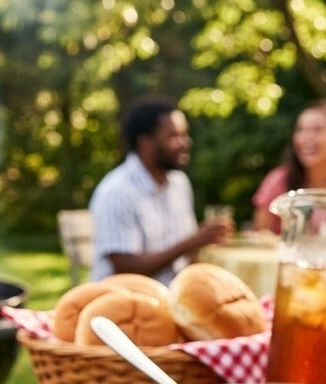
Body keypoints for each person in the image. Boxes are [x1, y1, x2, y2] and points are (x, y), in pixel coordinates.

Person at [88, 95, 232, 286]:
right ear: (146, 142)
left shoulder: (179, 183)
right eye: (174, 136)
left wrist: (205, 244)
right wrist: (192, 242)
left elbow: (189, 257)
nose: (186, 142)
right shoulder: (117, 192)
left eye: (185, 134)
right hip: (126, 300)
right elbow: (124, 268)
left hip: (172, 296)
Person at [251, 100, 326, 234]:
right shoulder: (278, 181)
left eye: (317, 130)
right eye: (300, 130)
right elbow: (260, 236)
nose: (306, 138)